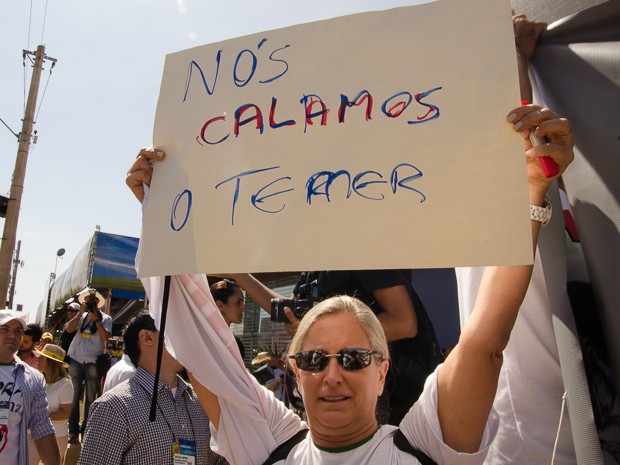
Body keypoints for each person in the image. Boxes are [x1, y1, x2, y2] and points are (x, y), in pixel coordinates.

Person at [126, 104, 574, 464]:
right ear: (296, 373)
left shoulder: (426, 445)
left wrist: (532, 190)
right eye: (315, 359)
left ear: (382, 371)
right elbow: (204, 351)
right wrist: (162, 212)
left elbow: (483, 342)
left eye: (355, 358)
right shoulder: (268, 445)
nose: (333, 374)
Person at [452, 15, 578, 465]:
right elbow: (514, 150)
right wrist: (512, 61)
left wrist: (512, 60)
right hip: (532, 435)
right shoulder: (482, 221)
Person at [78, 311, 228, 465]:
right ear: (147, 337)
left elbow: (220, 460)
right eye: (179, 330)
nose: (189, 339)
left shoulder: (202, 401)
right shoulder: (113, 407)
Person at [0, 310, 61, 465]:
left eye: (17, 332)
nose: (12, 336)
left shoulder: (33, 379)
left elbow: (42, 427)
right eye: (4, 330)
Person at [65, 289, 112, 444]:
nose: (91, 303)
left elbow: (105, 337)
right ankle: (73, 432)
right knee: (73, 396)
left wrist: (96, 320)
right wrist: (80, 313)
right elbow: (69, 329)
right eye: (88, 301)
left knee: (91, 399)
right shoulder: (82, 316)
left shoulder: (105, 318)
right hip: (76, 358)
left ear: (98, 303)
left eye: (93, 301)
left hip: (92, 361)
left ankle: (87, 432)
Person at [28, 344, 73, 465]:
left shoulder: (65, 384)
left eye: (42, 358)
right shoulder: (38, 380)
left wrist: (41, 415)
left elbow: (65, 413)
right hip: (32, 433)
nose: (38, 359)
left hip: (56, 435)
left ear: (51, 362)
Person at [210, 279, 247, 359]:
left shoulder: (237, 344)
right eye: (238, 303)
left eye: (243, 302)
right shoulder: (204, 340)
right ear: (220, 305)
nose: (244, 308)